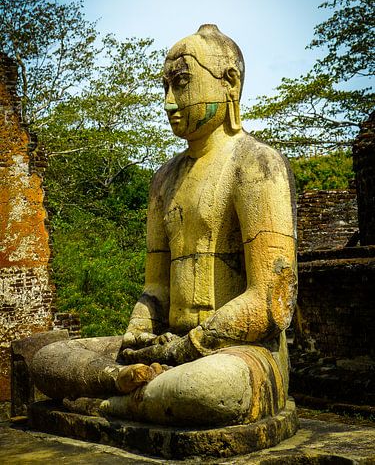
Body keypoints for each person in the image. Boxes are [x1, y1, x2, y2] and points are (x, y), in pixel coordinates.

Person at [31, 25, 297, 427]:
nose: (169, 102)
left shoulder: (257, 165)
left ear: (230, 83)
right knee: (48, 359)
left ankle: (103, 405)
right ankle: (122, 381)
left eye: (183, 84)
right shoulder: (164, 179)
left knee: (206, 389)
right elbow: (156, 288)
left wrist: (189, 348)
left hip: (239, 352)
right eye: (165, 87)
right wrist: (138, 333)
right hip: (166, 346)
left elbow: (271, 300)